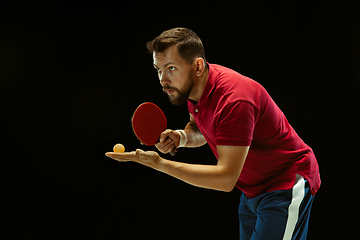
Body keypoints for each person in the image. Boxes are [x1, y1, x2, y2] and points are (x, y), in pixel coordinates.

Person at [105, 27, 321, 240]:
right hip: (251, 191)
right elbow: (199, 127)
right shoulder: (194, 88)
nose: (162, 80)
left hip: (285, 182)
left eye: (171, 68)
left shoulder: (235, 101)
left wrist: (158, 163)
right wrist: (181, 137)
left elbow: (225, 179)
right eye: (158, 69)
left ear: (198, 65)